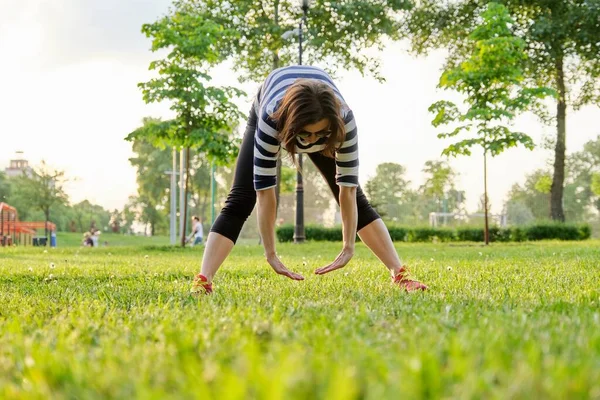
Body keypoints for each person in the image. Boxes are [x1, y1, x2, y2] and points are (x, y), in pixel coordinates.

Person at [191, 65, 427, 295]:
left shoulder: (344, 120)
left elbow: (347, 190)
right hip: (276, 111)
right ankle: (204, 280)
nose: (312, 141)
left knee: (359, 200)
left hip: (321, 123)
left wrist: (348, 247)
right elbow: (265, 193)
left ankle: (400, 274)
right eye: (306, 134)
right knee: (241, 198)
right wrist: (270, 253)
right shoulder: (271, 119)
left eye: (319, 134)